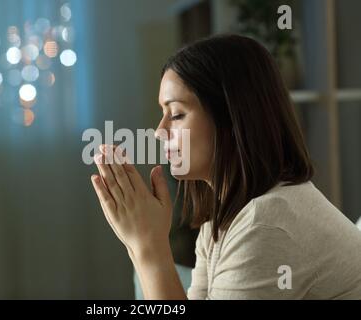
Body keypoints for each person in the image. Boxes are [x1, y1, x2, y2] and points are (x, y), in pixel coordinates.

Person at [90, 34, 361, 299]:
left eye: (177, 114)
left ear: (231, 119)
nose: (160, 131)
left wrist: (149, 246)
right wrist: (136, 242)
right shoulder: (220, 225)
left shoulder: (264, 225)